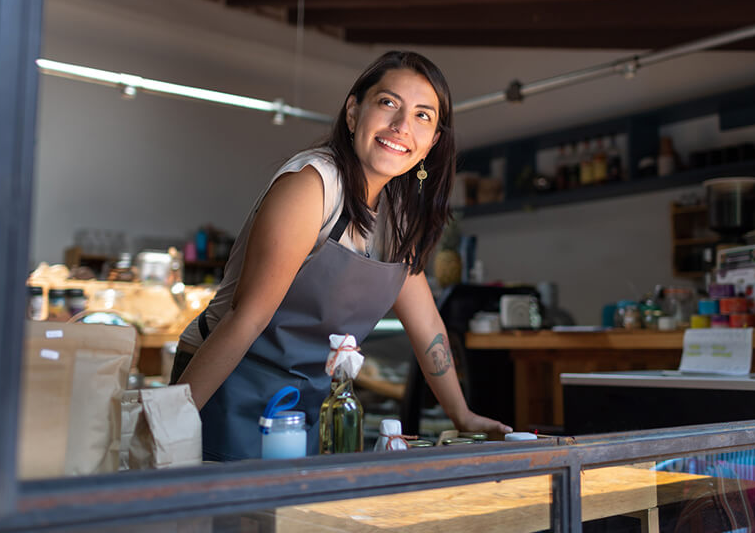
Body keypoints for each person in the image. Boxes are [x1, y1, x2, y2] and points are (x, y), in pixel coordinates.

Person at [171, 50, 512, 461]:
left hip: (307, 400)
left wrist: (462, 415)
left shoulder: (398, 216)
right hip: (228, 384)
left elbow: (427, 327)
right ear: (353, 113)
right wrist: (171, 425)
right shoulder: (313, 185)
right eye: (388, 103)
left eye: (423, 115)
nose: (402, 126)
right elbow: (247, 317)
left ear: (433, 142)